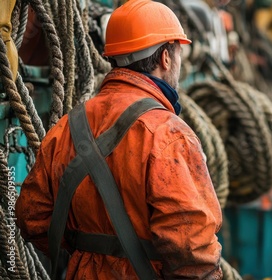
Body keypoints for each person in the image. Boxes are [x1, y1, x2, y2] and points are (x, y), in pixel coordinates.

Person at [15, 0, 223, 279]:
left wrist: (89, 251)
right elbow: (193, 249)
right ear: (165, 57)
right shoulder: (169, 135)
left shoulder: (66, 128)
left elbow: (32, 218)